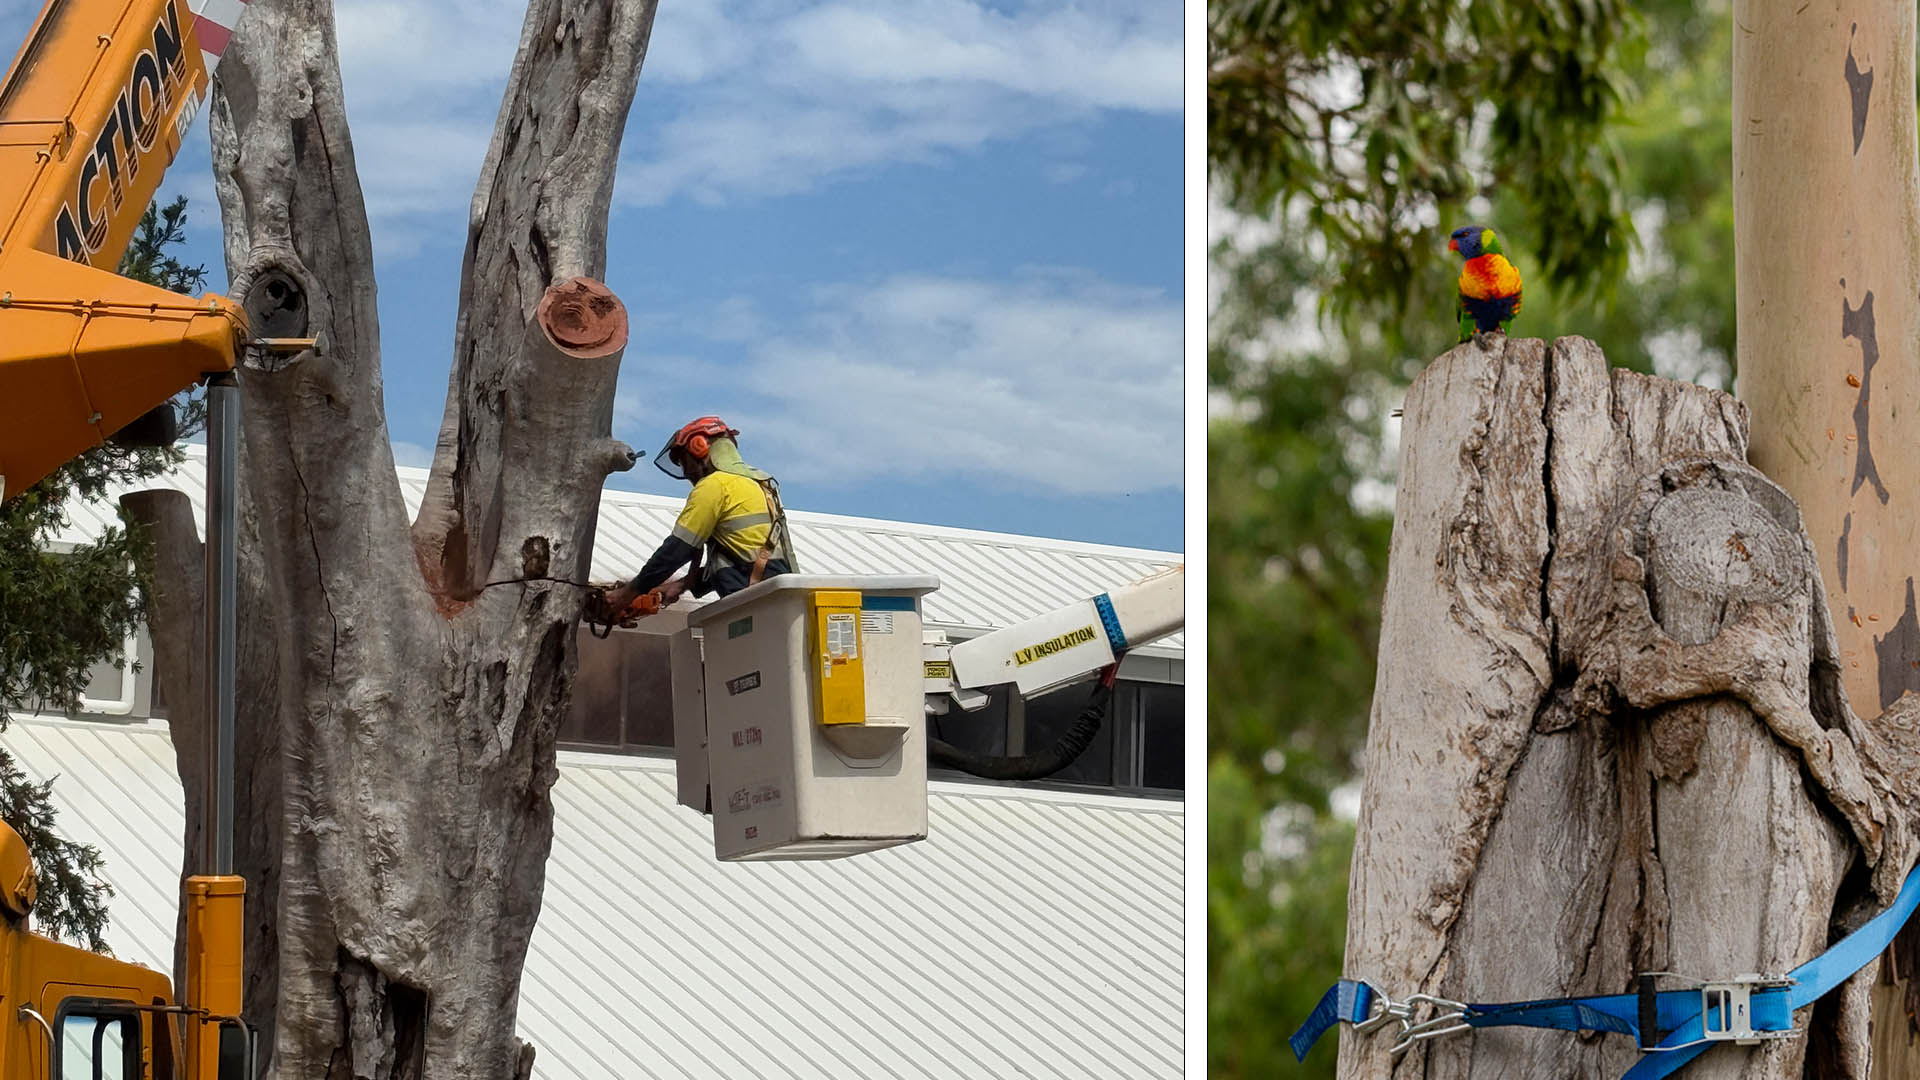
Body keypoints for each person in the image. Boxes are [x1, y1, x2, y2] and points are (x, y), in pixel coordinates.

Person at [602, 417, 796, 615]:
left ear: (699, 448)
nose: (686, 473)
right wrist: (683, 584)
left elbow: (676, 550)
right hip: (778, 602)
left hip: (756, 607)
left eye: (683, 462)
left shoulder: (715, 485)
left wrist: (626, 594)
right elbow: (749, 560)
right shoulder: (758, 485)